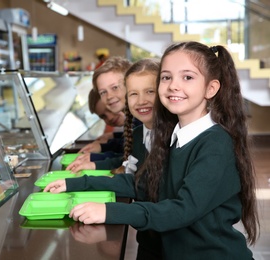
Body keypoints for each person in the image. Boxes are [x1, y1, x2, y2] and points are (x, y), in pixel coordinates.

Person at [44, 41, 260, 259]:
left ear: (211, 88)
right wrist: (76, 183)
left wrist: (109, 211)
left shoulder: (215, 144)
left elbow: (182, 210)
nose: (174, 85)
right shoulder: (175, 137)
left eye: (187, 77)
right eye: (167, 77)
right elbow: (143, 184)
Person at [67, 59, 160, 175]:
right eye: (103, 92)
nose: (109, 96)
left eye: (115, 87)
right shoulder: (139, 125)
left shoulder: (148, 121)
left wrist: (98, 157)